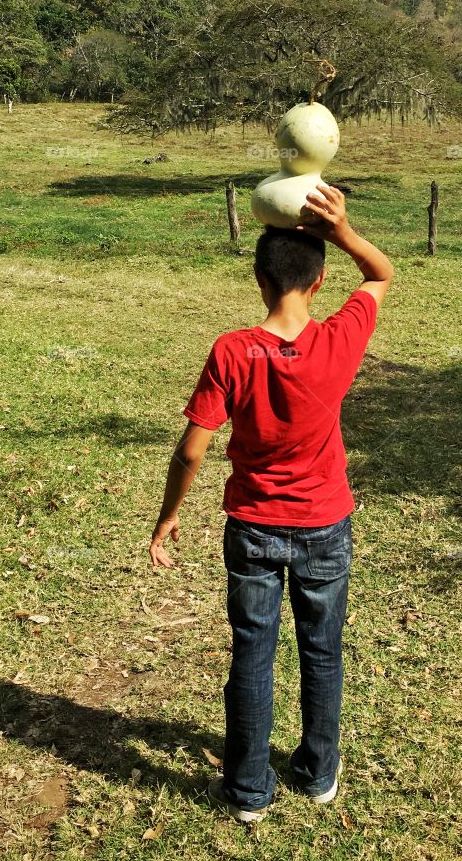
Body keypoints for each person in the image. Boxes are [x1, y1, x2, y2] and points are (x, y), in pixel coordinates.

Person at [148, 184, 393, 822]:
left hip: (252, 526)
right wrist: (341, 230)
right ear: (318, 284)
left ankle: (250, 790)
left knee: (253, 652)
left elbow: (193, 451)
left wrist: (168, 517)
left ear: (259, 280)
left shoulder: (232, 350)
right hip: (325, 525)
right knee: (323, 649)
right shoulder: (341, 338)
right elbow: (382, 271)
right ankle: (316, 774)